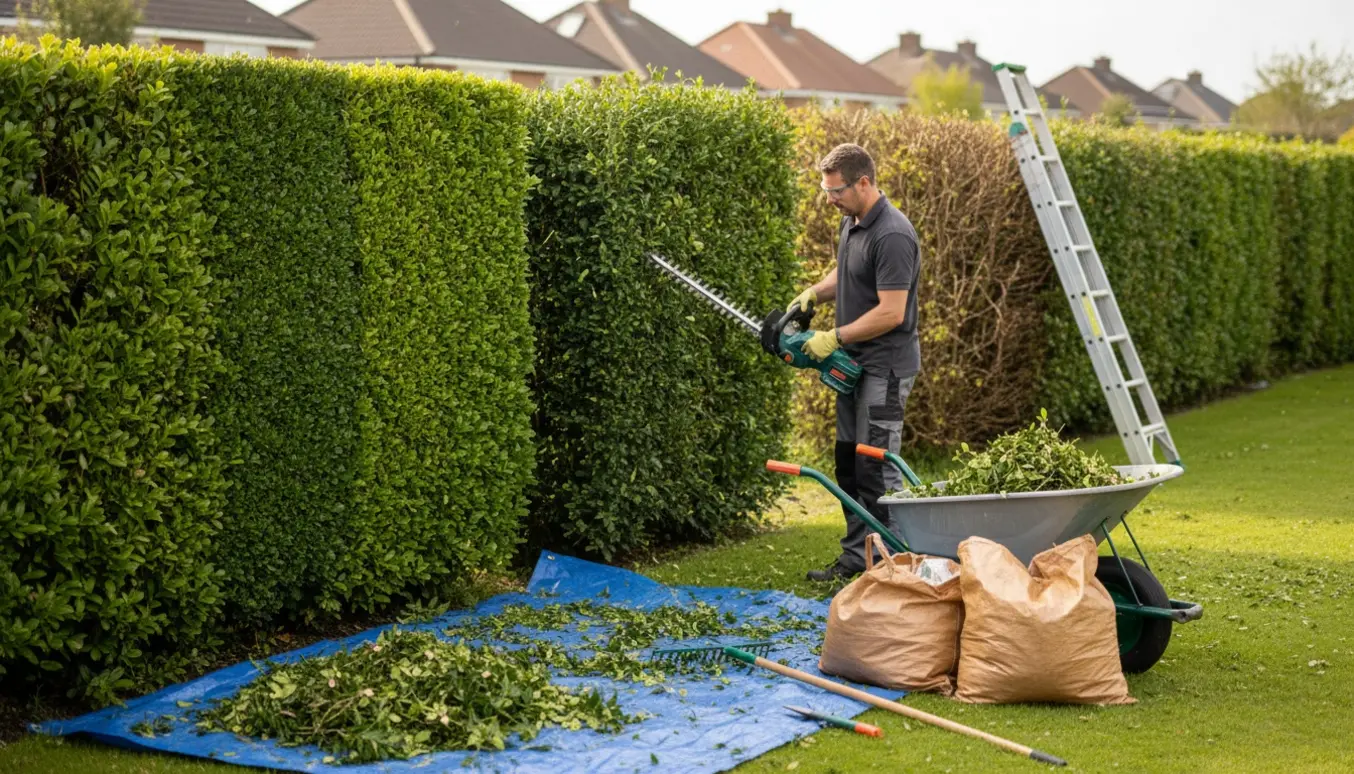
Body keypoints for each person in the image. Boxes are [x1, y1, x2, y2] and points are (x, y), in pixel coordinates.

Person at [790, 143, 922, 582]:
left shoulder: (893, 234)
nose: (830, 199)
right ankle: (856, 560)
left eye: (837, 190)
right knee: (848, 462)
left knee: (877, 468)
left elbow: (892, 312)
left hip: (885, 368)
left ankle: (897, 567)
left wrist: (834, 336)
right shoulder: (853, 222)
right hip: (854, 364)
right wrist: (815, 292)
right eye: (826, 190)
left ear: (863, 183)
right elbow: (844, 272)